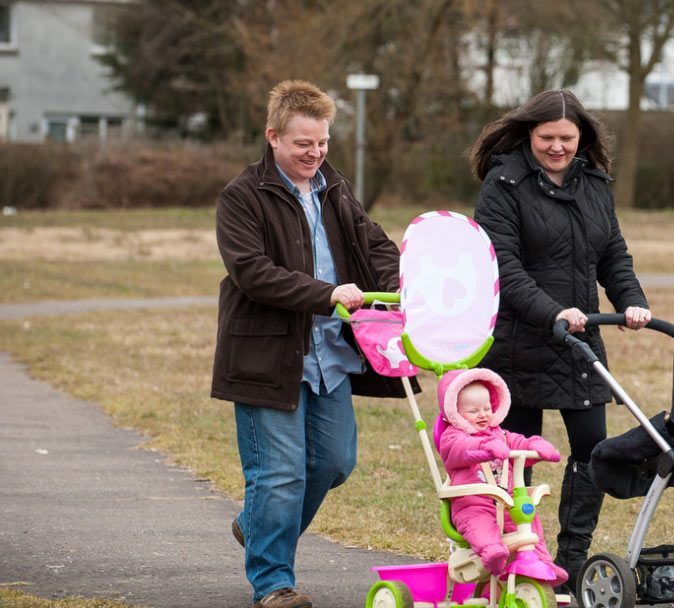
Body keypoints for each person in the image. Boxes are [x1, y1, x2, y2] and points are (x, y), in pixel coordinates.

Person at [211, 80, 412, 608]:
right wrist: (326, 294)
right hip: (267, 357)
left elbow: (374, 244)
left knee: (332, 464)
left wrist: (404, 284)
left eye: (322, 143)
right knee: (278, 477)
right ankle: (274, 583)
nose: (315, 153)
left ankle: (254, 525)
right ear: (273, 136)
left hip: (331, 359)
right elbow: (253, 273)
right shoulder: (242, 196)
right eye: (304, 144)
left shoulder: (333, 187)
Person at [468, 89, 651, 593]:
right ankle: (521, 560)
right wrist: (552, 311)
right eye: (547, 137)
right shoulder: (504, 184)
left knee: (593, 449)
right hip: (518, 341)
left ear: (581, 138)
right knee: (517, 459)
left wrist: (632, 300)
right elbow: (502, 264)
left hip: (578, 342)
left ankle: (571, 563)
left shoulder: (594, 183)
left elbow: (613, 253)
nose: (557, 147)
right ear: (530, 134)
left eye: (567, 138)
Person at [435, 368, 568, 586]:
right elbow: (460, 450)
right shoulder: (453, 437)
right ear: (455, 412)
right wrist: (485, 447)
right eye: (473, 410)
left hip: (504, 501)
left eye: (487, 408)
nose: (483, 414)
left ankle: (542, 561)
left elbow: (517, 443)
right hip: (472, 501)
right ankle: (492, 552)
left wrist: (535, 446)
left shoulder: (499, 433)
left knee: (527, 519)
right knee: (479, 523)